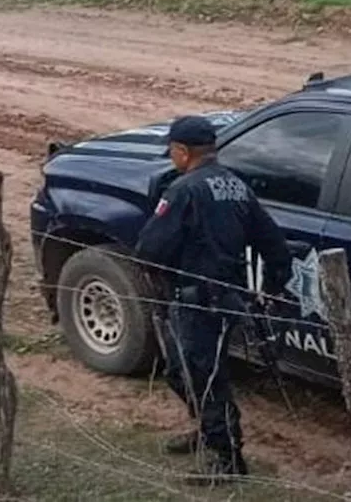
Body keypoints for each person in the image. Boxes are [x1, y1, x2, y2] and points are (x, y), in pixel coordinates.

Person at [134, 115, 292, 484]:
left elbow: (149, 248)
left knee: (202, 377)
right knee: (183, 371)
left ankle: (228, 459)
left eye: (172, 152)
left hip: (196, 299)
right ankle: (208, 429)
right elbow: (274, 243)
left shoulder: (184, 190)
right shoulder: (235, 185)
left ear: (182, 151)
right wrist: (272, 287)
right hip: (226, 298)